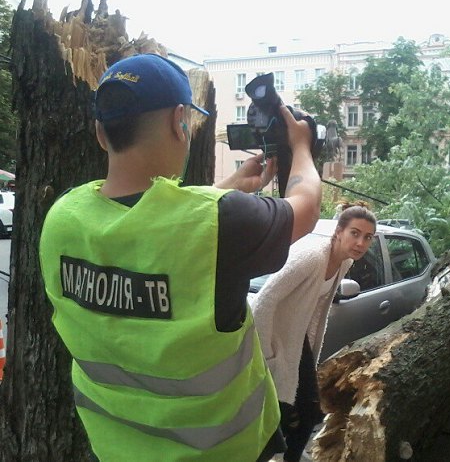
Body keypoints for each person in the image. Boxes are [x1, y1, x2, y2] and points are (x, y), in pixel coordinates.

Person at [38, 53, 322, 462]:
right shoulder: (223, 220)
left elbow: (150, 230)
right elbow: (307, 207)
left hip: (118, 447)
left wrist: (228, 189)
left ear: (101, 134)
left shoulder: (63, 217)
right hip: (222, 452)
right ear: (179, 121)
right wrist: (301, 146)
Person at [251, 204, 376, 462]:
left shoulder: (343, 262)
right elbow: (264, 301)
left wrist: (305, 345)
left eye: (367, 237)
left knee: (306, 413)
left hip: (294, 341)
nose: (360, 242)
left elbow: (315, 307)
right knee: (282, 415)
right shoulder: (312, 257)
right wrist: (266, 354)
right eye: (354, 233)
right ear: (339, 231)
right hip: (270, 341)